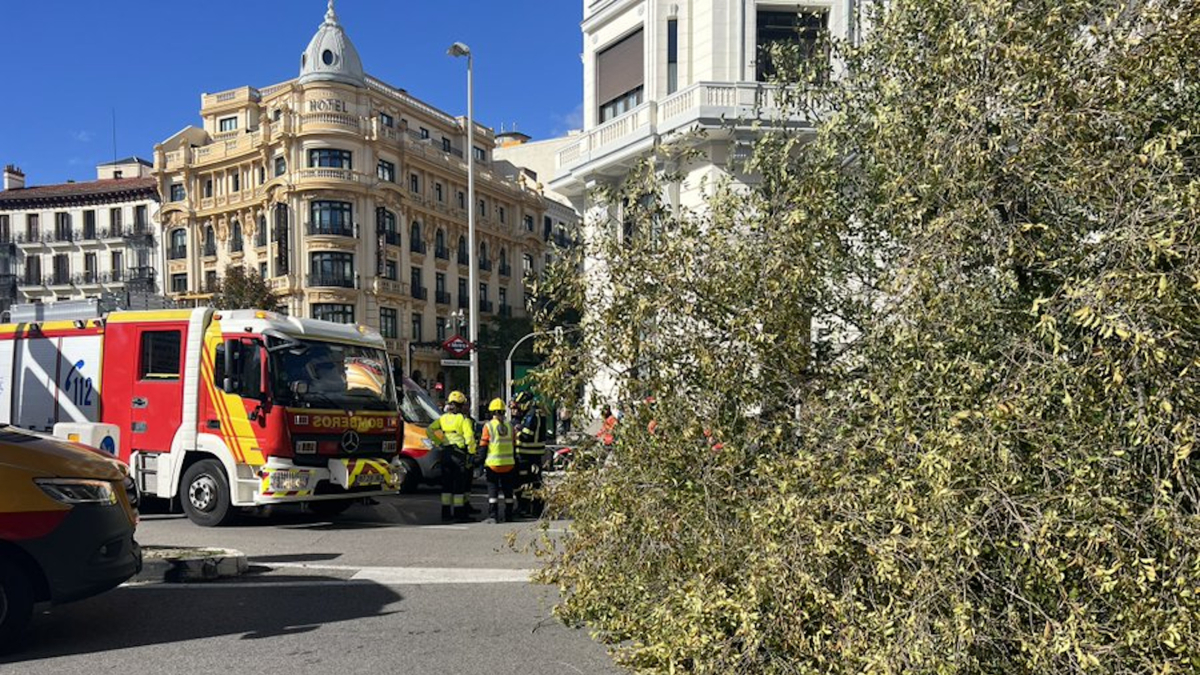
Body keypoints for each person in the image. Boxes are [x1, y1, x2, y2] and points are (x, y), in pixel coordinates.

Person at [426, 390, 477, 522]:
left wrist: (440, 442)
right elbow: (469, 438)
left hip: (446, 454)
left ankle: (446, 514)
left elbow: (429, 430)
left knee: (446, 486)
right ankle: (459, 514)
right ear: (460, 405)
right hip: (459, 455)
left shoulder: (443, 419)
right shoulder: (463, 419)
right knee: (459, 487)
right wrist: (472, 453)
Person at [477, 398, 516, 523]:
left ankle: (493, 515)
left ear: (491, 412)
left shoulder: (488, 426)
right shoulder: (510, 426)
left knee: (493, 491)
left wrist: (478, 461)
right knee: (508, 492)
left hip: (493, 465)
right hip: (509, 464)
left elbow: (483, 446)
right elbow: (514, 445)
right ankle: (508, 515)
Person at [512, 391, 547, 517]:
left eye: (519, 403)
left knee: (526, 483)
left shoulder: (532, 415)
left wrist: (517, 430)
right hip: (532, 454)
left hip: (528, 454)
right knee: (534, 482)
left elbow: (527, 434)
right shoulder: (535, 413)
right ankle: (534, 509)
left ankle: (525, 508)